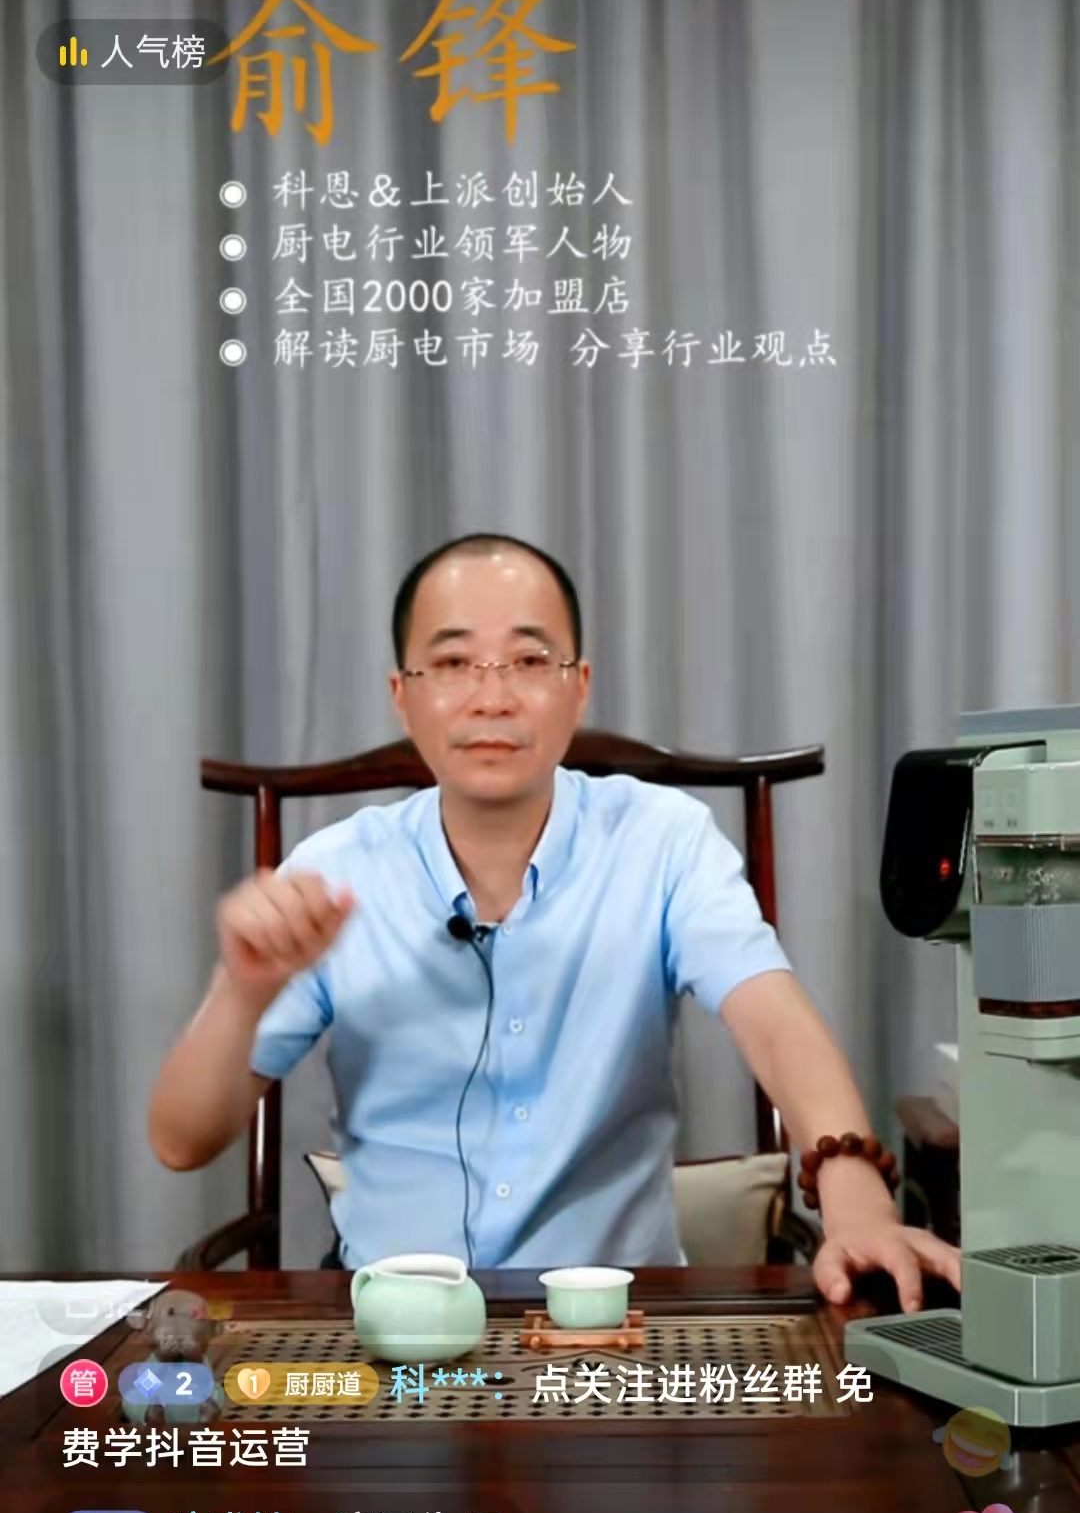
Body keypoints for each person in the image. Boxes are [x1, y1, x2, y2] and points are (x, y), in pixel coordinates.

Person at [149, 534, 961, 1312]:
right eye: (453, 662)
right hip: (390, 1321)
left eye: (531, 661)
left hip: (618, 1319)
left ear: (580, 686)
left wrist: (858, 1207)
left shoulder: (662, 841)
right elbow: (182, 1141)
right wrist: (242, 994)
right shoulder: (335, 872)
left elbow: (774, 1023)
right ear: (404, 694)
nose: (492, 696)